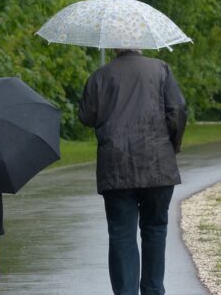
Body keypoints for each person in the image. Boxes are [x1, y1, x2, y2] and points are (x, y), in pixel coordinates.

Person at [78, 48, 187, 295]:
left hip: (116, 167)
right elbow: (178, 110)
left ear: (115, 46)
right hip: (158, 164)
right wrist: (172, 144)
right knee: (155, 229)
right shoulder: (161, 69)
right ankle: (153, 290)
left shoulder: (100, 76)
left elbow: (86, 116)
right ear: (141, 44)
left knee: (121, 234)